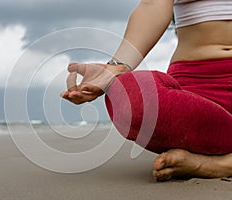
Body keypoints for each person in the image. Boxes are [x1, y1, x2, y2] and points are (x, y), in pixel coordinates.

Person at [61, 0, 232, 181]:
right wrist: (117, 67)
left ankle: (222, 164)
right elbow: (152, 4)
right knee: (128, 95)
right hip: (196, 85)